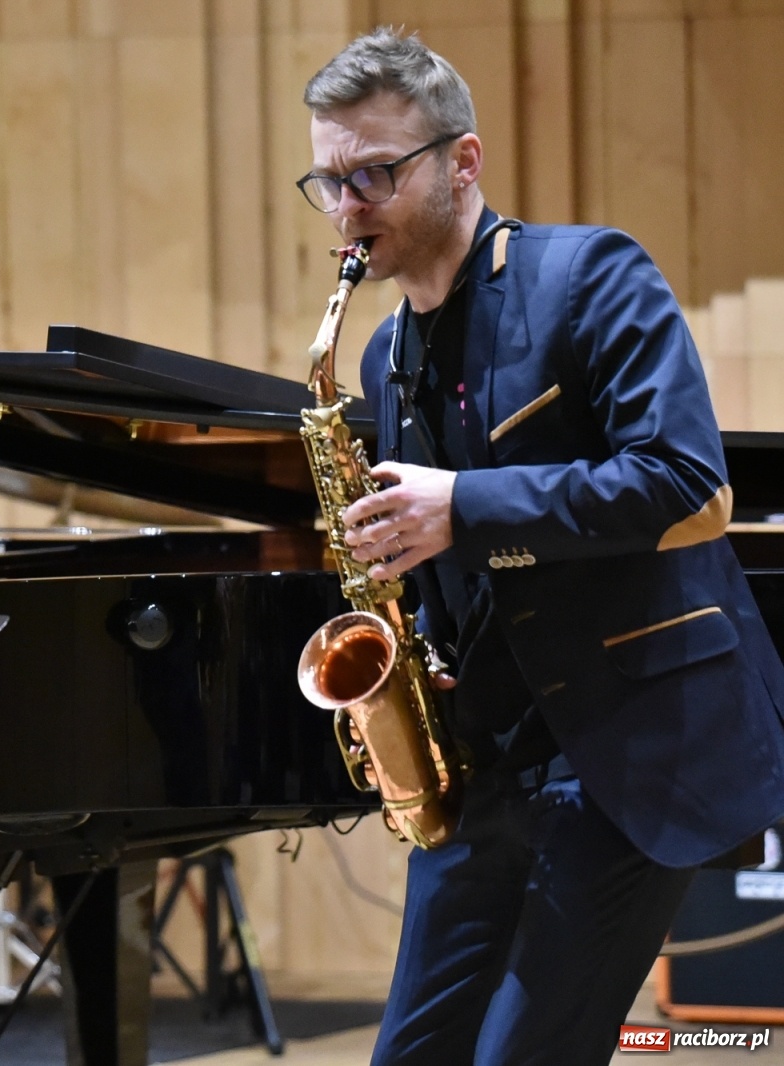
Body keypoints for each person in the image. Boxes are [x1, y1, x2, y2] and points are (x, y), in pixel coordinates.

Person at [298, 29, 784, 1066]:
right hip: (487, 761)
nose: (347, 209)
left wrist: (464, 509)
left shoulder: (589, 275)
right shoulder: (382, 355)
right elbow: (443, 557)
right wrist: (418, 636)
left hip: (631, 745)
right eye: (328, 182)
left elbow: (690, 487)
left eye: (374, 173)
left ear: (461, 162)